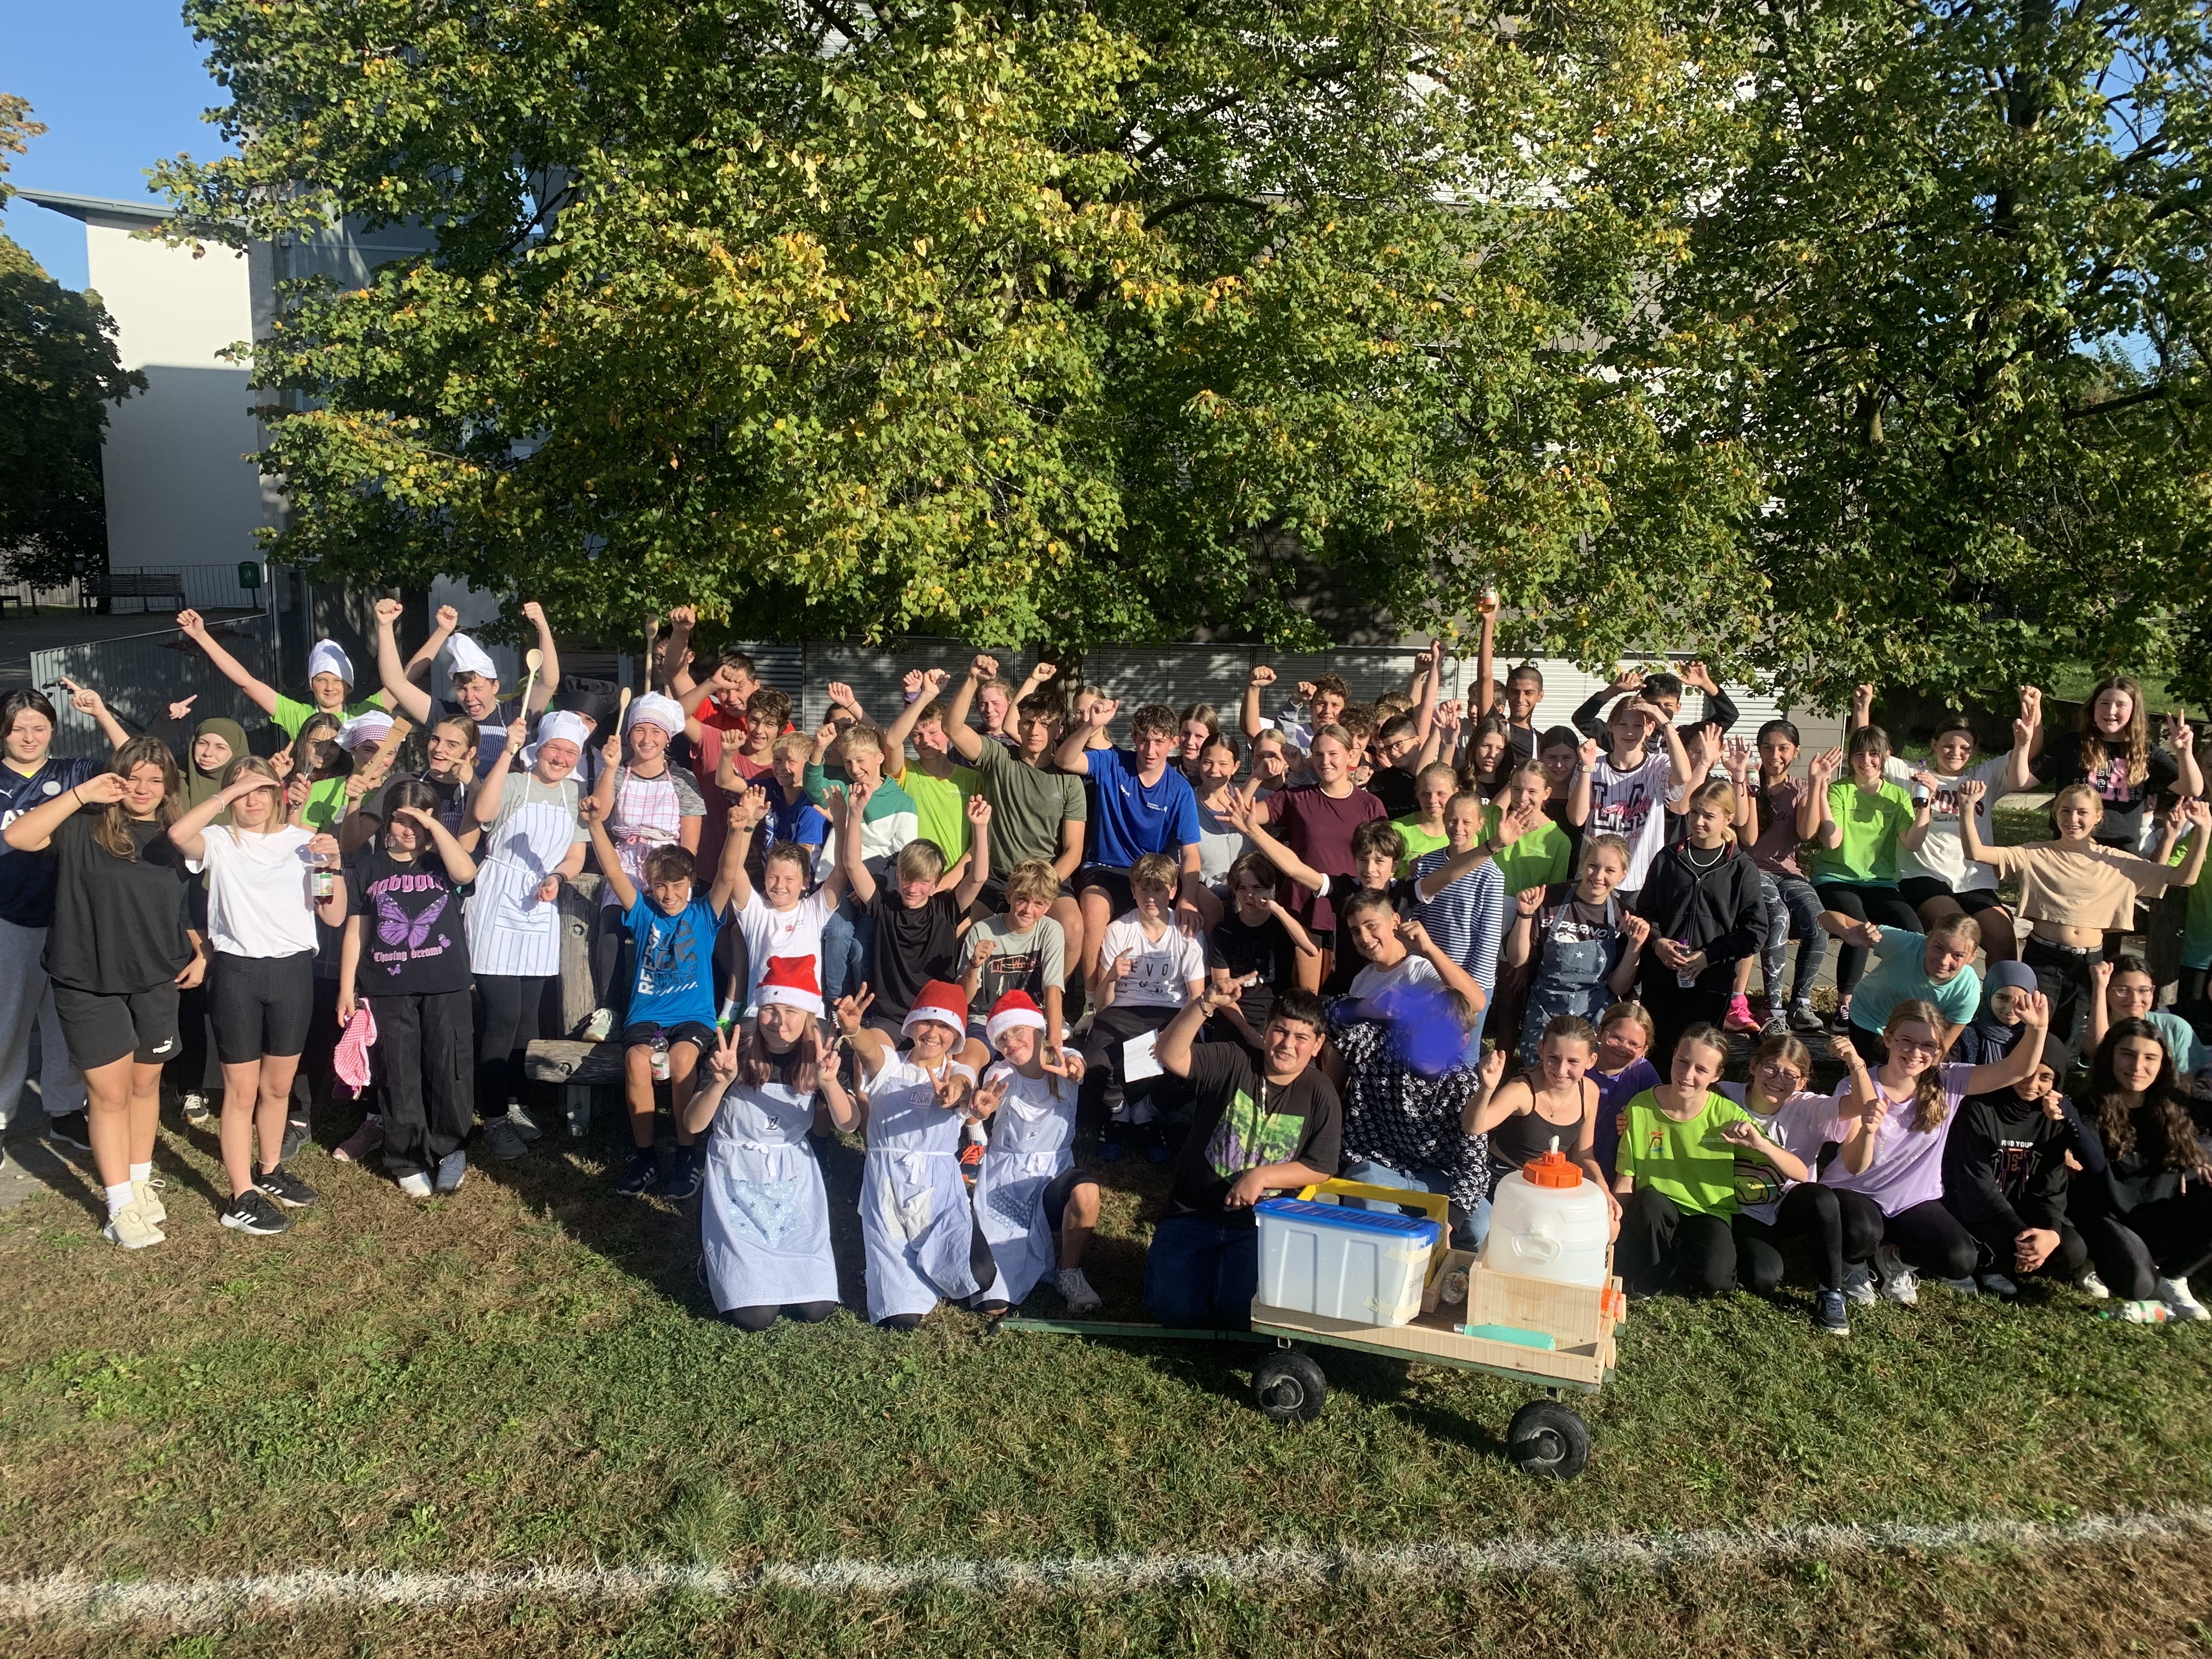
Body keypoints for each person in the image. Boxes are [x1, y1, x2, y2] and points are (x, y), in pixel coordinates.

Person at [3, 737, 205, 1247]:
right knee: (109, 1095)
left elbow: (185, 908)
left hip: (156, 980)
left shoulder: (175, 839)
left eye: (155, 780)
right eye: (133, 777)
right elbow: (20, 837)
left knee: (144, 1086)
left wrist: (200, 952)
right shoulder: (81, 827)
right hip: (87, 980)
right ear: (115, 778)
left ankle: (139, 1181)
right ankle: (119, 1206)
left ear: (169, 787)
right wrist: (81, 794)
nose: (144, 788)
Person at [167, 758, 342, 1233]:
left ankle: (270, 1170)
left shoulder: (303, 841)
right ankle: (240, 1195)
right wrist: (227, 795)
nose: (252, 800)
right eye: (242, 791)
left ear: (277, 795)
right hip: (237, 975)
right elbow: (179, 835)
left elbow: (331, 914)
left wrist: (332, 866)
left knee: (279, 1087)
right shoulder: (220, 840)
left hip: (292, 974)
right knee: (241, 1091)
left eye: (262, 790)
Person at [1824, 994, 2053, 1307]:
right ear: (1888, 1039)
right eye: (1906, 1041)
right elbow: (1854, 1167)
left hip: (1912, 1200)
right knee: (1861, 1233)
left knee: (1960, 1258)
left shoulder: (1949, 1080)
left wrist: (2037, 1029)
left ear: (1939, 1051)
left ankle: (1896, 1259)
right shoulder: (1856, 1086)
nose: (1916, 1052)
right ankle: (1854, 1265)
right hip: (1855, 1191)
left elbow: (2017, 1069)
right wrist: (1868, 1128)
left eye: (1927, 1045)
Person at [1956, 779, 2209, 1057]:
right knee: (2030, 1030)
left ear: (2098, 817)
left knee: (2068, 1039)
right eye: (2065, 811)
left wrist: (2203, 830)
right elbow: (1976, 852)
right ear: (2056, 814)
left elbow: (2184, 877)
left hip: (2089, 963)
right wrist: (1967, 808)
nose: (2072, 819)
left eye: (2082, 812)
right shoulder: (2035, 853)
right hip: (2044, 958)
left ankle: (2057, 1083)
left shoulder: (2117, 861)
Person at [1144, 985, 1342, 1329]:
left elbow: (1321, 1166)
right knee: (1173, 1311)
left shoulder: (1320, 1092)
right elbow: (1170, 1055)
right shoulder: (1234, 1059)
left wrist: (1262, 1176)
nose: (1288, 1044)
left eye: (1301, 1037)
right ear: (1266, 1029)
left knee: (1243, 1315)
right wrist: (1205, 1004)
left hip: (1262, 1226)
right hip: (1193, 1211)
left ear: (1317, 1045)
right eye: (1280, 1031)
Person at [582, 787, 746, 1200]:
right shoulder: (642, 913)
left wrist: (737, 831)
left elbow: (727, 875)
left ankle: (687, 1155)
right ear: (650, 886)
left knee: (682, 1060)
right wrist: (595, 825)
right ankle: (645, 1156)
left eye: (677, 886)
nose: (669, 895)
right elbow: (614, 872)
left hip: (693, 1018)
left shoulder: (705, 913)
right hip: (646, 1016)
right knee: (637, 1063)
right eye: (660, 886)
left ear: (691, 883)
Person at [685, 956, 854, 1330]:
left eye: (792, 1011)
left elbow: (848, 1124)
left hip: (791, 1175)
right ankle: (716, 1258)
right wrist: (719, 1082)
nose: (780, 1022)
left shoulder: (819, 1053)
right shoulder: (735, 1047)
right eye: (771, 1010)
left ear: (808, 1015)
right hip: (736, 1170)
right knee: (756, 1316)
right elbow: (694, 1123)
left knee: (816, 1309)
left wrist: (829, 1084)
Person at [335, 779, 480, 1197]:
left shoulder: (442, 863)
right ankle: (407, 1157)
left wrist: (433, 827)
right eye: (401, 819)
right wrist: (347, 988)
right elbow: (356, 932)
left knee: (449, 1066)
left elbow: (466, 873)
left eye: (419, 821)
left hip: (446, 984)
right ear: (386, 822)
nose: (409, 829)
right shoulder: (370, 868)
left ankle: (450, 1149)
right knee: (398, 1071)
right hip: (388, 986)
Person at [465, 709, 591, 1158]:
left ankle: (516, 1103)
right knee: (502, 1016)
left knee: (528, 1019)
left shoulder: (574, 794)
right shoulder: (516, 782)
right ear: (540, 749)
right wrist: (508, 752)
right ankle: (494, 1117)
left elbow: (575, 855)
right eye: (554, 748)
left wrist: (557, 877)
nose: (561, 758)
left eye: (570, 752)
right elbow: (482, 813)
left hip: (540, 905)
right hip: (498, 899)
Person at [836, 979, 992, 1330]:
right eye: (927, 1022)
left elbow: (963, 1088)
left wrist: (959, 1097)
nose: (933, 1033)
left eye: (944, 1026)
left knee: (979, 1275)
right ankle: (889, 1271)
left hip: (937, 1189)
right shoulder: (891, 1064)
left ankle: (932, 1256)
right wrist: (854, 1030)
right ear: (912, 1024)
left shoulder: (957, 1073)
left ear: (956, 1035)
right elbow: (870, 1051)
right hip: (887, 1187)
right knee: (900, 1318)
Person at [1612, 1024, 1801, 1298]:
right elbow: (1625, 1179)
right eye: (1683, 1062)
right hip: (1658, 1209)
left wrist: (1760, 1144)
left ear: (1717, 1075)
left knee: (1715, 1282)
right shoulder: (1641, 1106)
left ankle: (1674, 1256)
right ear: (1673, 1055)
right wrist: (1615, 1228)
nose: (1688, 1075)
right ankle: (1659, 1264)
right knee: (1648, 1205)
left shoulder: (1728, 1114)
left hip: (1709, 1211)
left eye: (1701, 1070)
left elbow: (1800, 1173)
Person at [0, 689, 106, 1160]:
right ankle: (1, 1117)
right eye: (18, 728)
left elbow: (133, 766)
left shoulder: (72, 772)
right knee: (8, 1026)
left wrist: (100, 712)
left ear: (53, 730)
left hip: (68, 919)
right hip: (10, 919)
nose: (29, 737)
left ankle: (65, 1110)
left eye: (39, 727)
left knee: (66, 1024)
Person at [942, 655, 1087, 962]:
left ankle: (1056, 992)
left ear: (1058, 730)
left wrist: (1042, 886)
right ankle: (959, 990)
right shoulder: (998, 757)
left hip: (1045, 878)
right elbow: (952, 728)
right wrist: (972, 679)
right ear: (1018, 724)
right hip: (996, 877)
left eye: (1046, 724)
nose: (1036, 730)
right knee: (959, 930)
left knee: (1073, 928)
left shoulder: (1070, 782)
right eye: (1029, 722)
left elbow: (1073, 851)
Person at [969, 990, 1104, 1316]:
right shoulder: (1001, 1073)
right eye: (1002, 1038)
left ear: (1037, 1028)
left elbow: (1076, 1064)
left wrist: (1076, 1069)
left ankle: (1068, 1272)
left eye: (1017, 1030)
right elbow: (987, 1096)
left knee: (1087, 1192)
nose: (1011, 1042)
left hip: (1053, 1175)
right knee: (994, 1304)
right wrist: (983, 1109)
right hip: (1006, 1182)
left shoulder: (1064, 1059)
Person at [1714, 1034, 1860, 1333]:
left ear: (1802, 1083)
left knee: (1822, 1198)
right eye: (1770, 1067)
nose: (1777, 1079)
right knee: (1762, 1279)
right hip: (1740, 1208)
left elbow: (1862, 1104)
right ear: (1753, 1066)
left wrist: (1855, 1063)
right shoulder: (1722, 1095)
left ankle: (1832, 1291)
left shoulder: (1808, 1107)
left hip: (1788, 1204)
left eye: (1790, 1075)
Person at [1054, 698, 1206, 984]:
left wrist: (1188, 897)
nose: (1150, 750)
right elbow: (1064, 760)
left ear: (1173, 742)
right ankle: (1092, 999)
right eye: (1144, 740)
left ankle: (1196, 994)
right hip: (1105, 868)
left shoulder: (1180, 789)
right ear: (1134, 737)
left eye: (1159, 742)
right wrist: (1091, 726)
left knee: (1208, 908)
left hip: (1152, 874)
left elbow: (1190, 852)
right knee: (1094, 910)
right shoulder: (1113, 761)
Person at [581, 693, 706, 1041]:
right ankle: (610, 1009)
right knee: (611, 926)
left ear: (668, 738)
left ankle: (670, 1008)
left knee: (666, 935)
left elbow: (690, 843)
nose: (647, 739)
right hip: (625, 864)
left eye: (655, 732)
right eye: (639, 730)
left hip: (669, 866)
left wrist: (671, 880)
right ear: (628, 735)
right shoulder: (617, 774)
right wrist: (610, 767)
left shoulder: (682, 780)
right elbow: (600, 813)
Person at [2073, 1020, 2212, 1319]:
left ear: (2163, 1065)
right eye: (2127, 1054)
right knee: (2138, 1284)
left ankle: (2174, 1276)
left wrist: (2197, 1158)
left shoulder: (2175, 1107)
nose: (2138, 1066)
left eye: (2150, 1058)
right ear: (2110, 1056)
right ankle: (2096, 1262)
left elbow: (2188, 1151)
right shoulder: (2089, 1106)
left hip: (2159, 1215)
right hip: (2109, 1216)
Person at [1884, 698, 2034, 963]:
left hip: (1973, 881)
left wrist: (2029, 732)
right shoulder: (1914, 774)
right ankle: (1950, 987)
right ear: (1934, 744)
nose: (1956, 752)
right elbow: (1871, 754)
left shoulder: (1984, 777)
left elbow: (2024, 756)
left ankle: (1999, 990)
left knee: (2003, 936)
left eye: (1965, 748)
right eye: (1948, 745)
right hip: (1925, 875)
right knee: (1957, 934)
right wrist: (1862, 708)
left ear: (1974, 750)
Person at [834, 782, 991, 1034]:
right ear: (898, 875)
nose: (913, 888)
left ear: (936, 883)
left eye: (923, 882)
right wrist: (856, 813)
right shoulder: (884, 905)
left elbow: (978, 877)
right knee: (871, 1055)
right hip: (889, 1020)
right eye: (907, 877)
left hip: (936, 1016)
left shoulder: (947, 909)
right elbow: (852, 864)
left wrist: (980, 828)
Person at [1084, 851, 1207, 1159]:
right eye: (1144, 889)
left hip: (1172, 1012)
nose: (1151, 897)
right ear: (1133, 890)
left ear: (1173, 891)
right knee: (1094, 1061)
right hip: (1123, 1010)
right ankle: (1119, 1110)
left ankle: (1146, 1111)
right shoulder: (1119, 929)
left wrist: (1177, 1033)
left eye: (1159, 889)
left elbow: (1197, 998)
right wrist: (1111, 976)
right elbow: (1102, 1003)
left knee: (1198, 1066)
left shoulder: (1188, 933)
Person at [1938, 1052, 2094, 1297]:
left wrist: (2052, 1231)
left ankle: (2000, 1261)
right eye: (2026, 1072)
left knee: (2072, 1250)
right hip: (1976, 1211)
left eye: (2045, 1077)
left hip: (2021, 1211)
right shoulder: (1980, 1107)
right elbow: (1977, 1185)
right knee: (1959, 1258)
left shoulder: (2053, 1118)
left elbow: (2051, 1187)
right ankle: (1993, 1261)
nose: (2032, 1084)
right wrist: (2022, 1235)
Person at [1801, 727, 1925, 1032]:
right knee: (1860, 927)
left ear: (1886, 757)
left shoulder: (1898, 795)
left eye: (1873, 754)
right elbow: (1832, 841)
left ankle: (1902, 1002)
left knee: (1914, 931)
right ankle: (1846, 1005)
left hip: (1881, 882)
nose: (1866, 760)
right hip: (1837, 877)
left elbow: (1913, 843)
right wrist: (1822, 791)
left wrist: (1925, 804)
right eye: (1859, 754)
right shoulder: (1841, 790)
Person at [1632, 777, 1764, 1057]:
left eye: (1709, 816)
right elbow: (1645, 912)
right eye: (1694, 812)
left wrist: (1709, 956)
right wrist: (1657, 942)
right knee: (1656, 1052)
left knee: (1696, 1054)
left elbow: (1755, 931)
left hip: (1711, 981)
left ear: (1728, 818)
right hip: (1662, 977)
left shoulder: (1741, 868)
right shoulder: (1668, 858)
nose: (1698, 821)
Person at [1504, 834, 1650, 1065]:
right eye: (1593, 866)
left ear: (1623, 874)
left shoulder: (1623, 917)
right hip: (1545, 1013)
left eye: (1610, 870)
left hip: (1594, 1018)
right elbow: (1516, 959)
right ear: (1583, 863)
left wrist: (1635, 944)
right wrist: (1525, 915)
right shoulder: (1548, 900)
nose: (1599, 876)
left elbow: (1618, 987)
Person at [1469, 1015, 1618, 1242]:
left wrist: (1603, 1189)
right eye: (1554, 1058)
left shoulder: (1589, 1092)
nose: (1562, 1070)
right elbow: (1475, 1126)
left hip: (1550, 1185)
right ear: (1541, 1050)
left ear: (1591, 1061)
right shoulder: (1522, 1090)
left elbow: (1583, 1155)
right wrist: (1487, 1089)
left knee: (1610, 1225)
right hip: (1506, 1180)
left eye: (1573, 1062)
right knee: (1539, 1229)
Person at [373, 597, 561, 774]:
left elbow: (549, 683)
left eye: (477, 688)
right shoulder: (446, 716)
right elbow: (395, 683)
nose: (470, 697)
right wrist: (385, 626)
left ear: (495, 686)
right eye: (462, 689)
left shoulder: (515, 714)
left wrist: (542, 627)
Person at [809, 721, 921, 1002]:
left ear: (880, 758)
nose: (855, 768)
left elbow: (903, 857)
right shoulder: (845, 791)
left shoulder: (904, 803)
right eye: (848, 762)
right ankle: (834, 1003)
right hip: (838, 880)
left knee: (861, 948)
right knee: (837, 934)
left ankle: (863, 1006)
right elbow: (813, 787)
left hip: (876, 889)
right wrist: (819, 750)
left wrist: (867, 885)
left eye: (861, 760)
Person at [2025, 678, 2203, 853]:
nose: (2111, 711)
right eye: (2104, 703)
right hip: (2069, 848)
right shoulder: (2070, 745)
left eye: (2121, 705)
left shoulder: (2146, 752)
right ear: (2093, 707)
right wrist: (2027, 732)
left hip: (2122, 855)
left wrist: (2184, 752)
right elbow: (2022, 781)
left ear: (2134, 711)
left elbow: (2192, 789)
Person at [721, 783, 848, 1017]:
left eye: (789, 879)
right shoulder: (756, 910)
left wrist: (841, 825)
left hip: (808, 1015)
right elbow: (733, 870)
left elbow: (841, 870)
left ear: (805, 882)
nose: (780, 885)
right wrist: (748, 826)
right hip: (760, 1014)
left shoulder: (814, 910)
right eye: (773, 877)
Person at [1736, 722, 1830, 1036]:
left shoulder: (1801, 787)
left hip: (1789, 874)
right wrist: (1744, 781)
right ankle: (1773, 1008)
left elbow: (1807, 832)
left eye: (1783, 748)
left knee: (1819, 921)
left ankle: (1801, 1002)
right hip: (1753, 871)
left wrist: (1816, 784)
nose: (1774, 755)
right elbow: (1747, 840)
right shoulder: (1749, 782)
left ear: (1796, 752)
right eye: (1767, 747)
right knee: (1778, 917)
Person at [176, 608, 391, 737]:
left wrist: (386, 626)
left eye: (337, 681)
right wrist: (202, 636)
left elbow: (400, 683)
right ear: (311, 685)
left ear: (349, 686)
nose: (329, 688)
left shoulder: (364, 713)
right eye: (321, 680)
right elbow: (247, 682)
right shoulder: (298, 715)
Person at [1566, 697, 1694, 902]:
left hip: (1641, 878)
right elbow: (1577, 819)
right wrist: (1587, 767)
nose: (1630, 732)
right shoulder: (1593, 765)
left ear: (1650, 729)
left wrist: (1664, 722)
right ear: (1611, 726)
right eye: (1623, 724)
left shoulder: (1658, 765)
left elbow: (1684, 776)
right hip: (1596, 877)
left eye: (1638, 726)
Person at [1820, 913, 1984, 1062]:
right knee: (1883, 1071)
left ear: (1973, 957)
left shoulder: (1967, 991)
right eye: (1938, 948)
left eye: (1958, 955)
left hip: (1916, 1035)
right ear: (1928, 940)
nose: (1944, 961)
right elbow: (1826, 916)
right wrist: (1846, 932)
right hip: (1870, 1020)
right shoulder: (1904, 943)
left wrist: (1927, 1067)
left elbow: (1942, 1047)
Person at [1203, 851, 1320, 1048]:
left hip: (1280, 1014)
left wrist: (1277, 910)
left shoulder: (1286, 921)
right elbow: (1221, 989)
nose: (1250, 895)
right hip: (1237, 1016)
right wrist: (1248, 1032)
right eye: (1242, 888)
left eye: (1257, 888)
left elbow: (1312, 949)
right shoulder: (1224, 931)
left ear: (1270, 887)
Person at [958, 860, 1072, 1053]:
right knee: (969, 1060)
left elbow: (1052, 990)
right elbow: (964, 999)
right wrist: (974, 966)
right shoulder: (982, 930)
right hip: (986, 1020)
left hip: (1030, 1019)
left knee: (1042, 1059)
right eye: (1022, 899)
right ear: (1009, 896)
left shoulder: (1050, 931)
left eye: (1038, 903)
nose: (1028, 910)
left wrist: (1055, 1043)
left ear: (1047, 907)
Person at [881, 673, 986, 884]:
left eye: (933, 732)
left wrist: (951, 881)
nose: (926, 740)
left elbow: (979, 840)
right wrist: (926, 695)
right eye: (917, 734)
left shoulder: (973, 778)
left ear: (947, 732)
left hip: (955, 881)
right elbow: (891, 742)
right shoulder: (904, 771)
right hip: (913, 880)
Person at [2086, 956, 2208, 1092]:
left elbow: (2185, 1085)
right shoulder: (2092, 1027)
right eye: (2123, 990)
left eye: (2144, 991)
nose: (2135, 999)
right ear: (2107, 993)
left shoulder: (2174, 1027)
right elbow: (2098, 1051)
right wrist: (2099, 986)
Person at [1572, 663, 1739, 747]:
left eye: (1668, 705)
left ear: (1678, 707)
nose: (1660, 711)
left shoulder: (1687, 737)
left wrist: (1707, 685)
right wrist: (1613, 690)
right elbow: (1583, 720)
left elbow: (1729, 716)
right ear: (1642, 703)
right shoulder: (1627, 736)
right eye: (1654, 705)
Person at [1588, 1001, 1661, 1179]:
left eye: (1633, 1044)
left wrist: (1638, 1119)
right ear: (1600, 1032)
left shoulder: (1643, 1072)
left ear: (1644, 1050)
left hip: (1619, 1172)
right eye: (1616, 1038)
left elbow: (1660, 1119)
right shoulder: (1579, 1063)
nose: (1623, 1047)